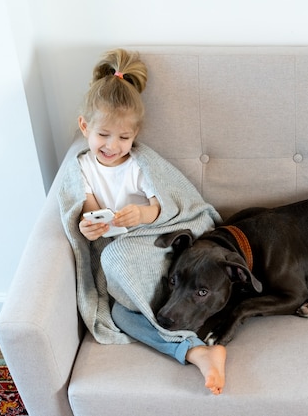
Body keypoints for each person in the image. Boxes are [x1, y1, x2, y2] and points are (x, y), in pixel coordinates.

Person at [72, 48, 226, 395]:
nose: (113, 146)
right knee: (121, 315)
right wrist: (89, 226)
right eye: (104, 136)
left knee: (117, 260)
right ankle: (197, 352)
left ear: (135, 134)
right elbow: (88, 212)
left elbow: (167, 206)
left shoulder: (139, 165)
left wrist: (141, 214)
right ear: (85, 126)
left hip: (159, 243)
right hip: (122, 246)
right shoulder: (81, 169)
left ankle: (194, 347)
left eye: (124, 138)